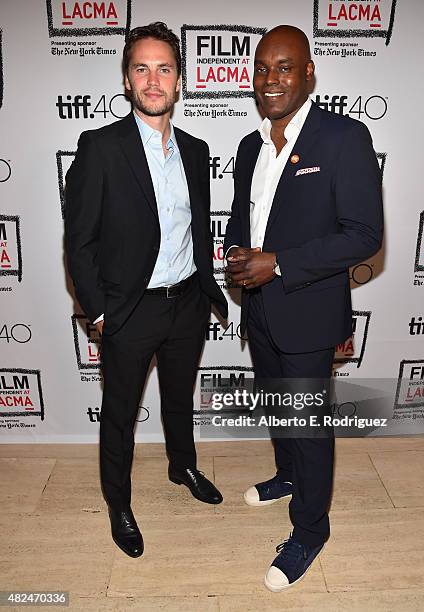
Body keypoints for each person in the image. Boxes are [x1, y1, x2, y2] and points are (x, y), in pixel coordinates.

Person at [224, 25, 383, 591]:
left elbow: (365, 234)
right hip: (260, 309)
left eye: (285, 67)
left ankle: (311, 530)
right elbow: (251, 222)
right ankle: (288, 477)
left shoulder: (343, 138)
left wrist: (280, 263)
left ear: (309, 73)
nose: (271, 79)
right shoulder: (249, 147)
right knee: (278, 408)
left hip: (308, 312)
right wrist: (239, 259)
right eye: (262, 69)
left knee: (309, 426)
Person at [65, 22, 228, 558]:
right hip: (129, 310)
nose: (153, 80)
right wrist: (101, 311)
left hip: (186, 303)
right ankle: (119, 503)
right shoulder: (100, 147)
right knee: (120, 412)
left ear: (180, 80)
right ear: (127, 79)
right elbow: (80, 242)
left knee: (179, 400)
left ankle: (182, 466)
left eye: (164, 69)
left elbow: (197, 226)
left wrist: (208, 289)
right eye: (142, 68)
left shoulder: (197, 151)